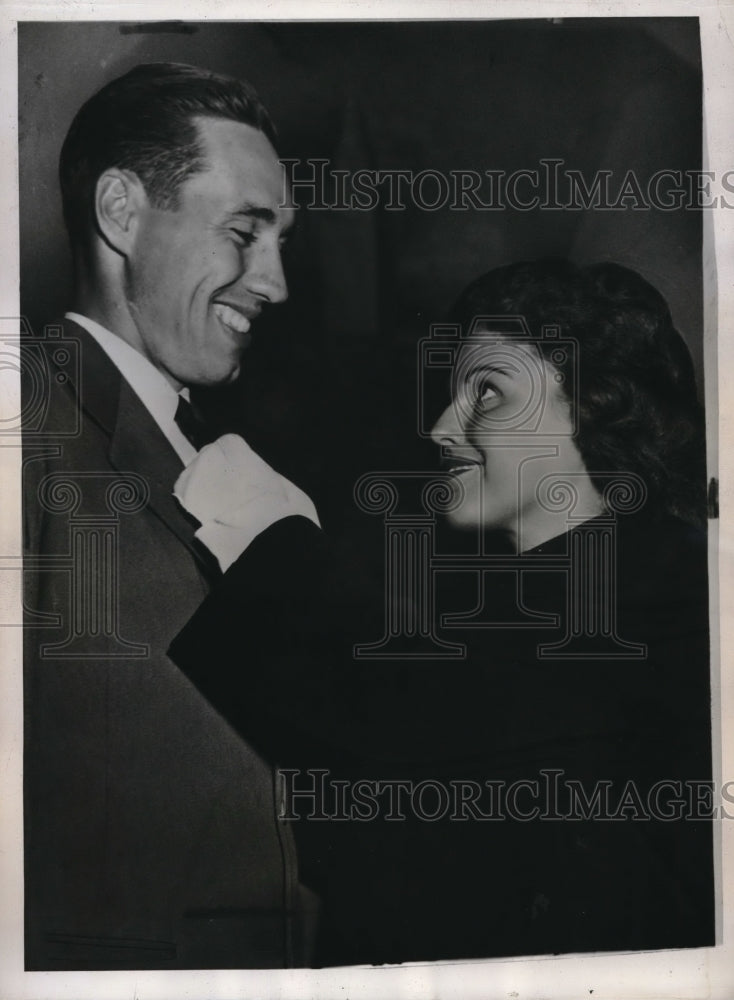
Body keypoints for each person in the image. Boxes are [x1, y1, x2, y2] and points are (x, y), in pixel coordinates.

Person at [170, 259, 714, 965]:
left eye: (486, 391)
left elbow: (404, 729)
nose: (440, 427)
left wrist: (271, 541)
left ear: (593, 401)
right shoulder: (506, 604)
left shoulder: (676, 589)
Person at [22, 62, 319, 970]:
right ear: (122, 212)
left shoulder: (205, 442)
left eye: (279, 241)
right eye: (243, 234)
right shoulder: (23, 426)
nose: (273, 283)